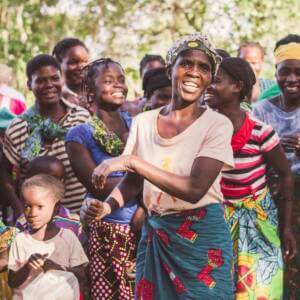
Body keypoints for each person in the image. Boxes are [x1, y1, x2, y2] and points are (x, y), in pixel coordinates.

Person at [82, 33, 235, 299]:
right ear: (170, 70)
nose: (194, 73)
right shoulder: (144, 122)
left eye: (204, 68)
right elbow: (133, 182)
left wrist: (132, 161)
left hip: (202, 236)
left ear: (210, 78)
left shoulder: (217, 125)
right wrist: (106, 206)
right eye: (186, 64)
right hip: (158, 235)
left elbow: (194, 188)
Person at [206, 57, 296, 300]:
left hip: (258, 219)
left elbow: (286, 175)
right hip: (218, 220)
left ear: (237, 86)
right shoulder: (202, 130)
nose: (209, 86)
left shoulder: (260, 133)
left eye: (216, 80)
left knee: (261, 288)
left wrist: (285, 227)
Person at [66, 58, 144, 299]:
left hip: (145, 226)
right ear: (90, 91)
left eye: (121, 79)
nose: (118, 85)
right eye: (109, 81)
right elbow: (98, 186)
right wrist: (145, 181)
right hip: (106, 229)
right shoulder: (79, 135)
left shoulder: (140, 126)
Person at [1, 54, 90, 218]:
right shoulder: (19, 127)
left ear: (62, 80)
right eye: (40, 80)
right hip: (36, 221)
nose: (49, 85)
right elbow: (4, 173)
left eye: (54, 78)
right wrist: (19, 209)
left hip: (80, 216)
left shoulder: (81, 119)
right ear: (29, 84)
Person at [252, 34, 300, 299]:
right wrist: (273, 149)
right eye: (285, 72)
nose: (291, 79)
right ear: (276, 73)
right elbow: (246, 154)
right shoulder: (260, 111)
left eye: (298, 72)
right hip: (268, 199)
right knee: (270, 266)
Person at [7, 174, 88, 299]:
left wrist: (57, 267)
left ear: (56, 207)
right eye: (27, 206)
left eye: (40, 207)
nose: (32, 213)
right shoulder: (20, 240)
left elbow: (81, 276)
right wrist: (27, 266)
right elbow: (12, 282)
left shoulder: (68, 237)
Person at [15, 156, 86, 244]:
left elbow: (80, 252)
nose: (52, 186)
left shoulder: (73, 221)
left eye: (59, 180)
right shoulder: (23, 222)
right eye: (42, 182)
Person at [52, 38, 93, 113]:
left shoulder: (100, 93)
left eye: (85, 61)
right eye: (73, 62)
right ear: (58, 64)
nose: (81, 67)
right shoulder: (54, 99)